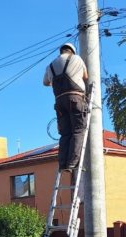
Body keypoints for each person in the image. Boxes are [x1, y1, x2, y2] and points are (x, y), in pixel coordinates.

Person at [43, 42, 89, 172]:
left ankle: (63, 164)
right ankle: (72, 163)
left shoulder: (50, 65)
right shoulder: (77, 59)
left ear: (61, 52)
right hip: (75, 98)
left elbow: (45, 83)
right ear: (72, 51)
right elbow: (86, 76)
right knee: (78, 130)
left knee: (65, 133)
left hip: (59, 102)